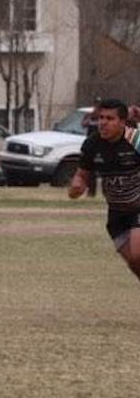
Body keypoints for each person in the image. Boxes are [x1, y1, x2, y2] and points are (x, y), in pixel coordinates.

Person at [69, 98, 140, 283]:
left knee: (137, 256)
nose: (103, 123)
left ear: (123, 122)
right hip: (116, 215)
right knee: (134, 264)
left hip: (138, 208)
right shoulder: (92, 144)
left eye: (110, 118)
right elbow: (81, 175)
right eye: (101, 117)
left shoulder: (136, 139)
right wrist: (76, 187)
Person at [81, 97, 102, 196]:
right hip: (91, 144)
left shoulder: (102, 116)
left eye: (99, 104)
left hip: (101, 144)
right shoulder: (89, 115)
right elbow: (83, 124)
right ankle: (91, 192)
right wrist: (89, 118)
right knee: (90, 170)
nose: (97, 106)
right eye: (96, 104)